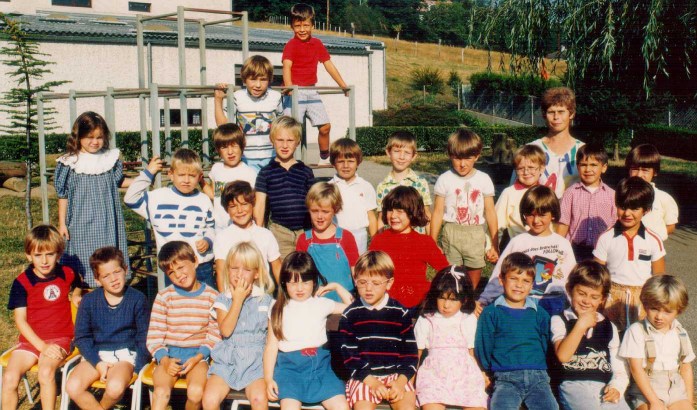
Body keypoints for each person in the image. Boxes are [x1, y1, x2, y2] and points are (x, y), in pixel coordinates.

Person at [3, 225, 85, 410]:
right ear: (28, 256)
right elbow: (20, 320)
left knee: (46, 372)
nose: (44, 261)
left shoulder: (66, 273)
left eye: (50, 254)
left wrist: (76, 294)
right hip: (31, 341)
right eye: (38, 255)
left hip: (60, 339)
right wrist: (42, 346)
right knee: (9, 377)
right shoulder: (22, 282)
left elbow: (78, 280)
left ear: (59, 253)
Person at [263, 252, 352, 410]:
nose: (299, 288)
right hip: (289, 370)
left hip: (321, 368)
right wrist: (268, 379)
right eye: (293, 283)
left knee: (341, 407)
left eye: (305, 282)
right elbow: (271, 346)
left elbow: (352, 310)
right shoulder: (277, 307)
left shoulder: (321, 304)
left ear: (314, 281)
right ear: (284, 283)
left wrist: (337, 287)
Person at [66, 247, 150, 410]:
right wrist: (97, 362)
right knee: (73, 386)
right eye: (106, 276)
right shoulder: (89, 301)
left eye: (117, 272)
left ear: (126, 270)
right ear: (97, 280)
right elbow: (82, 338)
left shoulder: (138, 299)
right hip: (96, 353)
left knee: (115, 388)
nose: (113, 279)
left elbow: (144, 337)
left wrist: (138, 368)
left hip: (125, 356)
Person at [55, 111, 131, 287]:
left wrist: (146, 178)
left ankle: (110, 289)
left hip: (107, 222)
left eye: (99, 137)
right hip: (80, 221)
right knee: (82, 258)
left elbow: (119, 182)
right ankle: (83, 291)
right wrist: (62, 223)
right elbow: (62, 195)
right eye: (90, 137)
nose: (95, 142)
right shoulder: (69, 162)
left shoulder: (110, 159)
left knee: (108, 257)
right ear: (78, 137)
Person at [474, 252, 558, 410]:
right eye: (513, 278)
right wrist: (488, 369)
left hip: (538, 376)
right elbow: (484, 345)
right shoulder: (491, 313)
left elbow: (546, 342)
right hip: (506, 377)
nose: (519, 285)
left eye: (526, 281)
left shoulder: (539, 313)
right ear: (501, 280)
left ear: (532, 285)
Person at [124, 148, 217, 289]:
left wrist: (207, 240)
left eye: (192, 176)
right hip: (173, 266)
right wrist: (148, 173)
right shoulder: (157, 198)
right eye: (181, 175)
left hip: (200, 265)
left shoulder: (203, 200)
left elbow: (211, 226)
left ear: (199, 177)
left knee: (207, 301)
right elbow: (130, 198)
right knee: (176, 301)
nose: (186, 180)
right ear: (171, 175)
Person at [479, 185, 576, 316]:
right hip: (523, 301)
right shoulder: (518, 242)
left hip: (555, 302)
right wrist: (484, 300)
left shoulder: (563, 244)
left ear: (553, 214)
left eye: (542, 215)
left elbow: (572, 279)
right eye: (530, 215)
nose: (536, 220)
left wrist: (574, 305)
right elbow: (499, 274)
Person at [339, 251, 419, 410]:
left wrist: (400, 382)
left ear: (389, 283)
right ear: (355, 280)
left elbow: (410, 355)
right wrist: (372, 382)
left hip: (396, 376)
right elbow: (350, 357)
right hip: (364, 377)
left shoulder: (400, 313)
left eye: (375, 283)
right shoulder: (350, 315)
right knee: (363, 408)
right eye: (362, 282)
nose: (368, 288)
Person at [146, 241, 220, 410]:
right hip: (169, 355)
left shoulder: (212, 296)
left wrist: (199, 356)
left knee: (196, 393)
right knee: (161, 392)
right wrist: (165, 361)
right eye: (172, 273)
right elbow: (154, 337)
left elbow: (215, 334)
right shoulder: (164, 296)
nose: (179, 275)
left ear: (195, 261)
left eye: (181, 267)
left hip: (198, 356)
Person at [203, 242, 275, 410]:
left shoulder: (266, 301)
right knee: (209, 399)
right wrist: (238, 300)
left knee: (259, 399)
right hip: (227, 362)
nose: (239, 274)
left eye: (246, 269)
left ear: (256, 273)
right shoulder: (223, 299)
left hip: (256, 363)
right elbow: (226, 331)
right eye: (234, 268)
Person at [551, 260, 630, 410]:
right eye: (581, 294)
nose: (587, 301)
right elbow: (563, 356)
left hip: (604, 386)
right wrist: (581, 325)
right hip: (573, 384)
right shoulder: (560, 320)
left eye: (594, 297)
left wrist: (617, 387)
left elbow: (619, 367)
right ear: (569, 289)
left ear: (603, 299)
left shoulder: (609, 326)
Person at [593, 177, 666, 332]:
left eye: (634, 208)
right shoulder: (606, 238)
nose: (627, 213)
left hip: (642, 300)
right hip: (611, 299)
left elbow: (659, 277)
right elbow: (596, 275)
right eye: (622, 207)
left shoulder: (653, 240)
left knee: (640, 337)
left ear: (646, 210)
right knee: (610, 337)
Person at [430, 129, 499, 289]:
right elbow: (438, 212)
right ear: (450, 155)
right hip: (451, 233)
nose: (462, 164)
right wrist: (432, 242)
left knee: (474, 273)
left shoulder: (483, 179)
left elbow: (490, 212)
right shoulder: (444, 179)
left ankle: (470, 298)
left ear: (477, 156)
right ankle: (455, 299)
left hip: (475, 233)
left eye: (468, 158)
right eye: (457, 158)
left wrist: (495, 244)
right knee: (452, 276)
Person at [282, 3, 349, 166]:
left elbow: (328, 64)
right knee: (290, 131)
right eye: (298, 26)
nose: (302, 29)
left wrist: (342, 85)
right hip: (294, 92)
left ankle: (324, 158)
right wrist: (289, 86)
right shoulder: (291, 45)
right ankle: (287, 161)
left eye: (306, 25)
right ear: (292, 26)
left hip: (311, 91)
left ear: (313, 25)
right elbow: (287, 66)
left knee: (325, 127)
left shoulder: (317, 44)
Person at [414, 265, 487, 410]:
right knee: (431, 405)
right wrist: (412, 379)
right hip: (434, 374)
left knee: (476, 404)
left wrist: (481, 373)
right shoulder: (427, 319)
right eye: (442, 298)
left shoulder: (468, 319)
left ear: (464, 300)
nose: (446, 305)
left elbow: (471, 352)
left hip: (464, 375)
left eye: (453, 299)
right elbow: (418, 353)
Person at [619, 275, 694, 410]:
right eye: (654, 309)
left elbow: (686, 367)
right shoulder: (636, 331)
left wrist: (689, 400)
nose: (659, 316)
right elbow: (636, 369)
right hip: (646, 388)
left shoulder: (680, 332)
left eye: (667, 312)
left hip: (676, 388)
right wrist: (654, 401)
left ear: (678, 311)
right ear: (645, 304)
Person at [369, 186, 449, 308]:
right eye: (390, 210)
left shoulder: (424, 242)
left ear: (413, 213)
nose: (393, 215)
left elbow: (446, 270)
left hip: (416, 303)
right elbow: (368, 271)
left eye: (400, 211)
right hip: (385, 303)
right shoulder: (379, 241)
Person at [254, 116, 315, 261]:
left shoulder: (306, 171)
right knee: (284, 270)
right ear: (272, 141)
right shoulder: (266, 172)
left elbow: (314, 202)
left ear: (298, 142)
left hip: (305, 231)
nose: (285, 145)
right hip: (279, 232)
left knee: (307, 267)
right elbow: (260, 205)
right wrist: (258, 233)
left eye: (290, 140)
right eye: (280, 140)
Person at [213, 55, 283, 171]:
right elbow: (223, 126)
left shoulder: (276, 97)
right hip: (246, 158)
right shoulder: (237, 96)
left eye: (263, 79)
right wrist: (218, 99)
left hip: (272, 156)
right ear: (244, 78)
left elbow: (282, 127)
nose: (258, 85)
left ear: (270, 79)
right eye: (253, 79)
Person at [517, 86, 585, 198]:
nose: (556, 117)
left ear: (571, 114)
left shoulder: (583, 150)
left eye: (561, 112)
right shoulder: (531, 149)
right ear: (544, 115)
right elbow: (516, 191)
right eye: (551, 112)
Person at [296, 182, 358, 301]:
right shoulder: (304, 240)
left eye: (325, 211)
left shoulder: (346, 237)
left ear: (335, 210)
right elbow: (300, 274)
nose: (320, 216)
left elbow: (355, 270)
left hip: (344, 298)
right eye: (315, 211)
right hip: (316, 300)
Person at [213, 181, 282, 287]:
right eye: (233, 206)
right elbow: (221, 272)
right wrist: (225, 296)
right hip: (233, 294)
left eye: (244, 204)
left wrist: (284, 294)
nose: (239, 210)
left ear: (252, 205)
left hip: (261, 293)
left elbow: (277, 267)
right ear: (227, 210)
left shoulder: (265, 235)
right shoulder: (222, 237)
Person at [557, 143, 617, 261]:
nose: (588, 169)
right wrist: (557, 249)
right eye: (583, 165)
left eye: (593, 165)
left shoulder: (612, 195)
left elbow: (614, 226)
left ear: (604, 167)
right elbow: (563, 223)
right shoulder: (570, 193)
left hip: (602, 252)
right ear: (578, 167)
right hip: (575, 251)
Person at [201, 123, 257, 231]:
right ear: (218, 150)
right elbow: (214, 195)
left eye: (234, 146)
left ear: (242, 146)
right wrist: (201, 181)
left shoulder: (249, 173)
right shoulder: (216, 169)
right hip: (219, 226)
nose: (230, 152)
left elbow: (253, 204)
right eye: (224, 147)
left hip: (241, 226)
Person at [376, 131, 432, 234]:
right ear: (388, 152)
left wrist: (431, 240)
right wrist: (379, 241)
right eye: (397, 151)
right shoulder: (382, 187)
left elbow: (426, 214)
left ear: (413, 156)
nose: (401, 157)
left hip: (416, 240)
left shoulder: (420, 184)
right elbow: (381, 218)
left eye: (407, 152)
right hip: (392, 240)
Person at [328, 138, 378, 254]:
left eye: (350, 161)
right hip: (336, 236)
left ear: (358, 162)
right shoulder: (329, 187)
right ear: (333, 163)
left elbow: (371, 217)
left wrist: (374, 241)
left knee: (358, 264)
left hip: (359, 236)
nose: (346, 165)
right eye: (340, 161)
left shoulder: (365, 186)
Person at [625, 144, 679, 241]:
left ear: (655, 172)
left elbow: (670, 226)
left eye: (645, 170)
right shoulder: (622, 194)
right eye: (635, 169)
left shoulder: (664, 198)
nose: (639, 175)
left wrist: (653, 240)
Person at [496, 144, 546, 242]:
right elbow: (497, 223)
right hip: (519, 246)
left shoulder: (546, 193)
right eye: (521, 168)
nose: (526, 172)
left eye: (531, 167)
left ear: (541, 168)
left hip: (543, 246)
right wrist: (493, 246)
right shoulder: (509, 193)